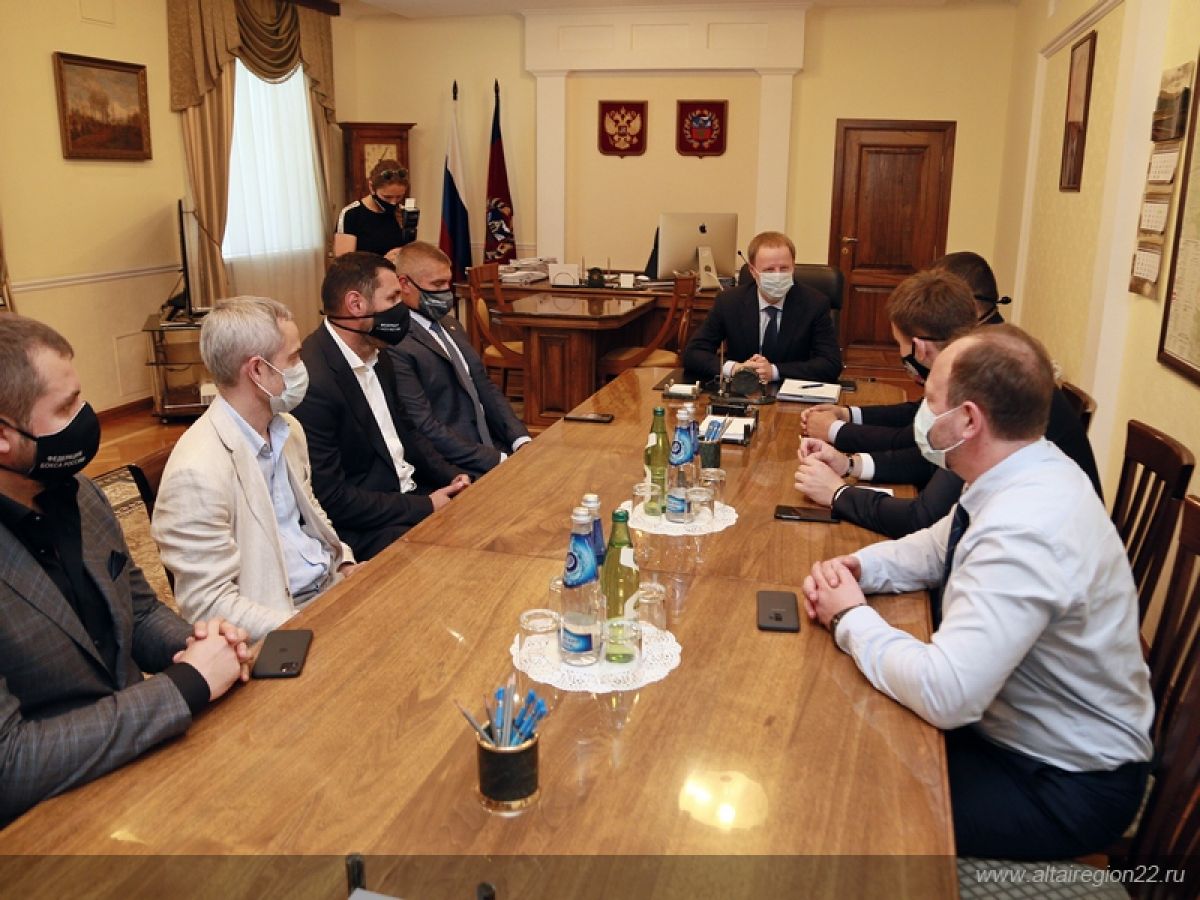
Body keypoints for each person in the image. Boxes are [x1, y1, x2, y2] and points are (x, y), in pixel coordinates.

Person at [801, 325, 1153, 860]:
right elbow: (937, 545)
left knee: (845, 805)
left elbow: (947, 693)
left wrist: (850, 618)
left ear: (968, 420)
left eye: (930, 400)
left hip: (1060, 781)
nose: (921, 412)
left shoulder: (1027, 526)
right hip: (1009, 730)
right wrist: (859, 567)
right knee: (835, 739)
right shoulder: (1020, 468)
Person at [0, 313, 250, 825]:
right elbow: (12, 764)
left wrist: (201, 642)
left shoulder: (80, 493)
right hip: (53, 818)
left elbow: (139, 611)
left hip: (148, 765)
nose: (86, 417)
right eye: (66, 408)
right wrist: (187, 684)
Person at [794, 270, 1102, 537]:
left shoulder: (981, 385)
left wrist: (838, 493)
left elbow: (922, 518)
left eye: (899, 344)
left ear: (919, 348)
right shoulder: (979, 364)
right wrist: (850, 464)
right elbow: (932, 463)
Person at [152, 297, 357, 641]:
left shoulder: (288, 429)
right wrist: (306, 629)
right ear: (258, 370)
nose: (302, 366)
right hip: (283, 626)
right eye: (293, 358)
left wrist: (346, 565)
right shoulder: (195, 472)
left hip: (328, 592)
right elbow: (209, 605)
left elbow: (311, 516)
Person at [292, 252, 471, 561]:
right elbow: (333, 498)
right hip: (369, 525)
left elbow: (410, 434)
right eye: (392, 298)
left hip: (411, 493)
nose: (402, 308)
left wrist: (454, 477)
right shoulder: (314, 381)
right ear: (356, 304)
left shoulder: (379, 352)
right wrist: (426, 506)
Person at [802, 250, 1007, 449]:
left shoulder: (986, 365)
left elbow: (918, 444)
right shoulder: (975, 348)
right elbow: (919, 412)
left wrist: (836, 432)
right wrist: (848, 415)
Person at [386, 243, 530, 479]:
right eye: (437, 285)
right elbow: (424, 425)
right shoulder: (397, 343)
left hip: (495, 445)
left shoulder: (451, 325)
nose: (446, 292)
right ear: (404, 284)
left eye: (448, 283)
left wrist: (520, 439)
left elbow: (484, 387)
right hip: (458, 466)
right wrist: (496, 460)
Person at [682, 230, 841, 384]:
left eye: (784, 268)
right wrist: (734, 368)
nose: (777, 275)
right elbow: (693, 353)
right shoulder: (729, 302)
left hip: (790, 391)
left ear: (793, 267)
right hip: (742, 390)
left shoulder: (815, 304)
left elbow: (830, 364)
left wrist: (774, 371)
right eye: (769, 270)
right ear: (753, 271)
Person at [333, 160, 414, 257]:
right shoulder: (351, 214)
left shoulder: (404, 213)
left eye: (399, 197)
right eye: (387, 197)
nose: (393, 202)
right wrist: (383, 261)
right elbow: (344, 263)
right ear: (371, 187)